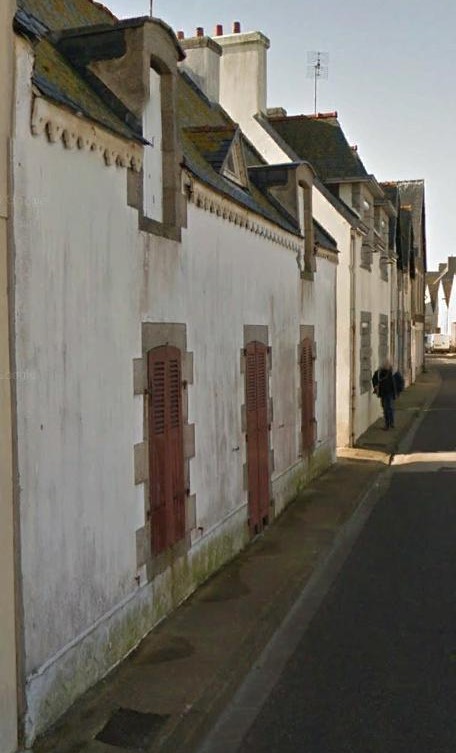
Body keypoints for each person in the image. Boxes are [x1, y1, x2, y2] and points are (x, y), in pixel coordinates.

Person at [372, 359, 403, 430]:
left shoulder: (393, 373)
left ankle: (388, 424)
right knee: (386, 408)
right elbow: (374, 379)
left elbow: (400, 382)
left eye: (387, 365)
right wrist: (375, 386)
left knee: (388, 408)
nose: (386, 366)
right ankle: (390, 423)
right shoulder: (379, 372)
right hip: (383, 393)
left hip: (390, 393)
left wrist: (398, 391)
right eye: (385, 365)